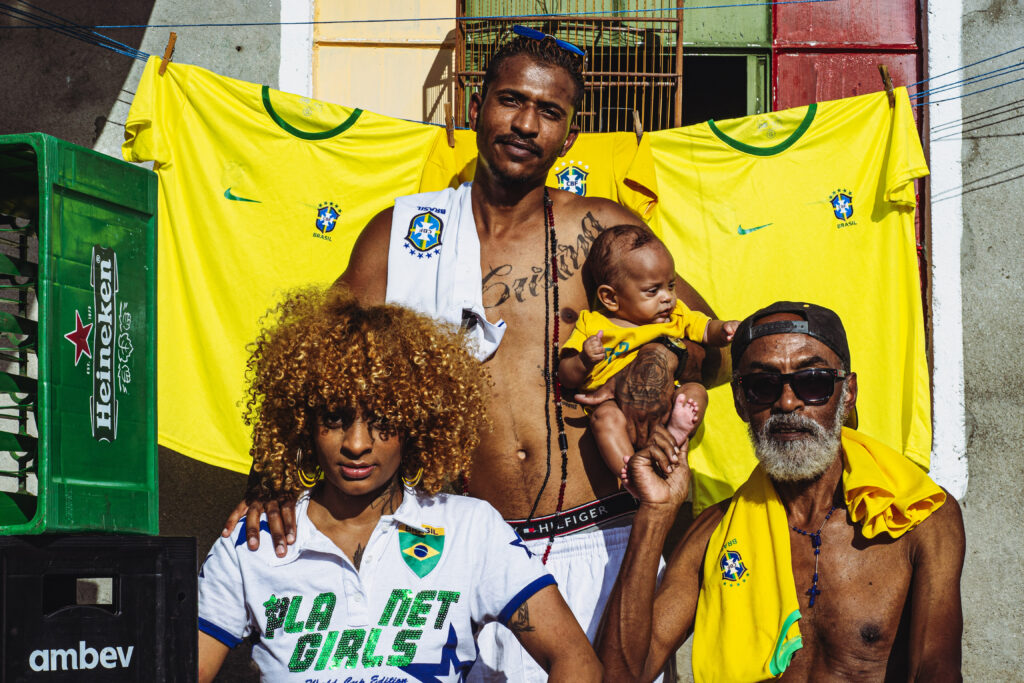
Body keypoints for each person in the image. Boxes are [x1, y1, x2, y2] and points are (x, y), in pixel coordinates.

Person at [225, 29, 725, 680]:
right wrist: (269, 479)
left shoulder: (602, 231)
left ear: (569, 136)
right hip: (460, 553)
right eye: (511, 100)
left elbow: (711, 346)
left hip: (602, 542)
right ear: (475, 108)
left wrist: (658, 361)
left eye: (549, 111)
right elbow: (315, 363)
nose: (526, 124)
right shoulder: (404, 236)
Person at [199, 288, 601, 682]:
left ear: (416, 421)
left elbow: (577, 661)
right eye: (335, 418)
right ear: (304, 421)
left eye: (383, 419)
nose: (357, 444)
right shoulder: (254, 542)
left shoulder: (470, 529)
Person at [598, 301, 965, 682]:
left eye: (813, 382)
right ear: (740, 402)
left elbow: (937, 671)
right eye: (763, 386)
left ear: (848, 393)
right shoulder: (714, 536)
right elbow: (621, 677)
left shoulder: (919, 518)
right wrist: (656, 513)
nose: (787, 403)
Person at [558, 224, 738, 476]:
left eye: (671, 285)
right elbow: (566, 376)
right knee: (604, 419)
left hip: (668, 397)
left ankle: (675, 433)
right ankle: (632, 472)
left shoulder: (676, 315)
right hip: (611, 403)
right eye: (653, 291)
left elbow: (705, 329)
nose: (667, 297)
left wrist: (725, 329)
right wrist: (584, 359)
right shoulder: (594, 324)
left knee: (695, 393)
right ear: (610, 298)